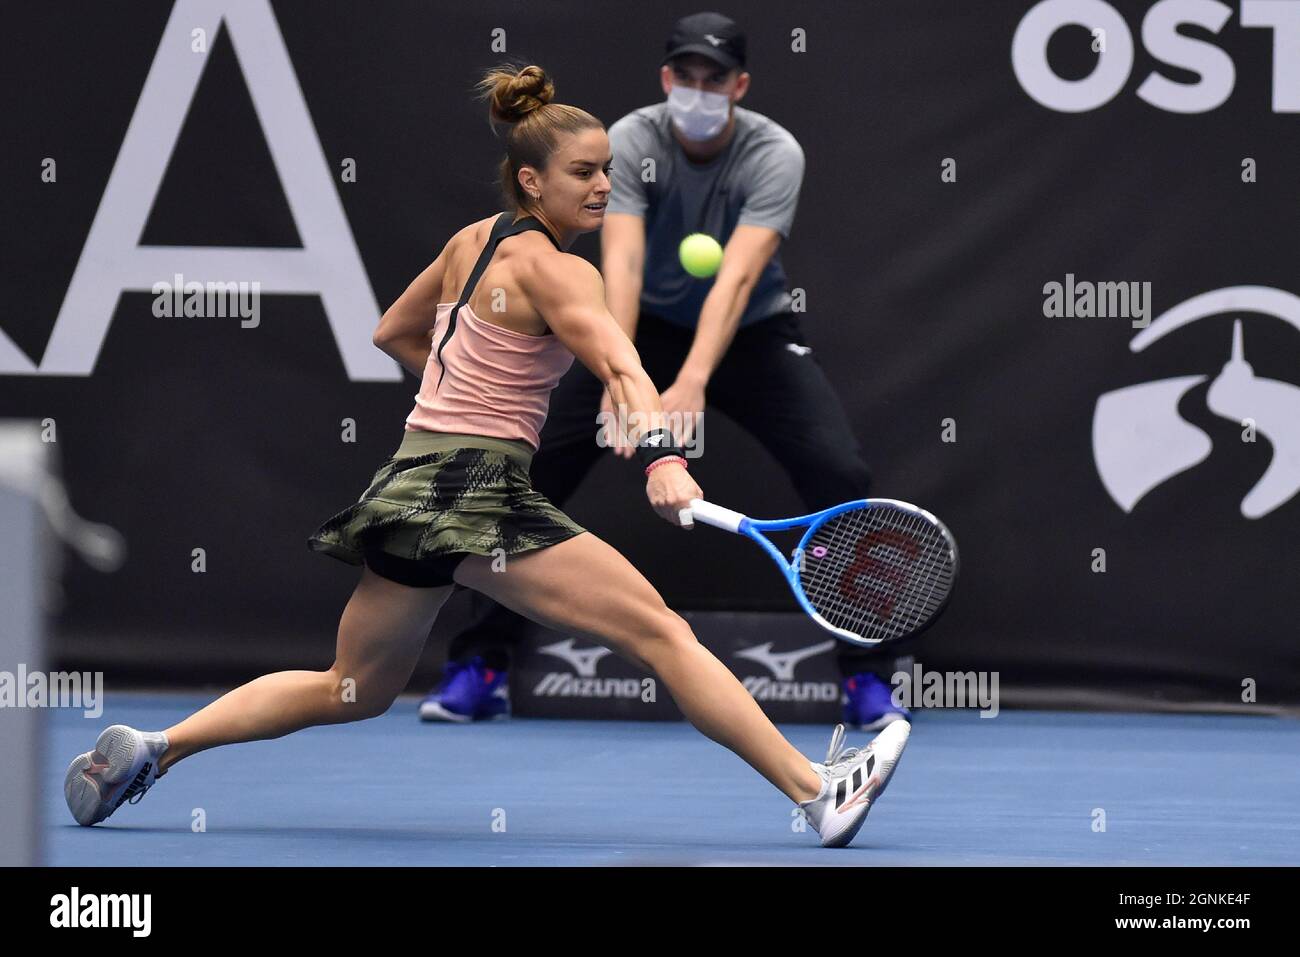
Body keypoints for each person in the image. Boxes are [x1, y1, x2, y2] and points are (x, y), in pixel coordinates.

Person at [61, 63, 909, 848]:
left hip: (406, 485)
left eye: (609, 168)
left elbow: (392, 329)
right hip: (479, 493)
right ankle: (814, 790)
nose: (605, 184)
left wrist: (458, 399)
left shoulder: (471, 241)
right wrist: (660, 458)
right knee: (661, 631)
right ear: (533, 179)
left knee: (350, 688)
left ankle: (158, 747)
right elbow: (622, 366)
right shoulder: (559, 272)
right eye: (584, 172)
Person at [424, 12, 915, 730]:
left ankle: (867, 677)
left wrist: (688, 383)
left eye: (714, 78)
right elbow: (618, 263)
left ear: (739, 86)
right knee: (528, 476)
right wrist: (624, 371)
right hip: (635, 323)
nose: (697, 89)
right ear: (665, 79)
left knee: (840, 475)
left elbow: (737, 280)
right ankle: (482, 663)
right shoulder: (629, 141)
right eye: (684, 76)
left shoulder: (775, 153)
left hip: (749, 330)